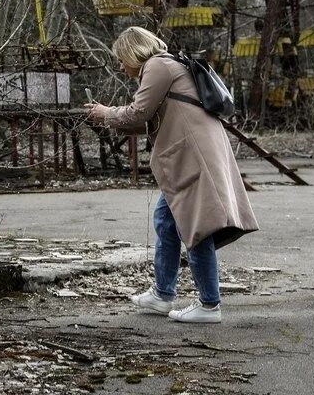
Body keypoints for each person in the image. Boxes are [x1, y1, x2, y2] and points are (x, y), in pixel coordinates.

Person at [88, 26, 258, 324]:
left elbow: (139, 112)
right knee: (166, 221)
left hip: (193, 157)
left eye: (121, 59)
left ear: (133, 52)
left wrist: (107, 113)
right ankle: (162, 294)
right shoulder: (167, 66)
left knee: (196, 226)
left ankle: (209, 305)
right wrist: (109, 119)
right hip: (193, 154)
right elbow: (151, 120)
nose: (121, 67)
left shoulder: (157, 66)